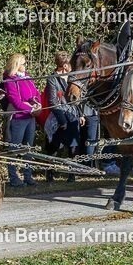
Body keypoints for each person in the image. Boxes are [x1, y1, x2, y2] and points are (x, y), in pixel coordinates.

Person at [2, 53, 41, 187]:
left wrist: (37, 104)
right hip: (18, 118)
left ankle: (28, 175)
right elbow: (15, 100)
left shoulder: (27, 77)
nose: (25, 65)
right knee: (15, 148)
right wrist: (30, 108)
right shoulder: (10, 80)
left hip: (30, 117)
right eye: (23, 63)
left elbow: (35, 93)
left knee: (28, 148)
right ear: (16, 65)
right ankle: (13, 177)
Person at [44, 51, 80, 183]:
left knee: (73, 146)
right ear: (65, 65)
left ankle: (72, 174)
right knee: (55, 147)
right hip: (59, 116)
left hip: (73, 114)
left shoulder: (72, 77)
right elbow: (53, 101)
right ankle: (50, 173)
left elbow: (77, 98)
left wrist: (79, 114)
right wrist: (62, 120)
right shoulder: (53, 79)